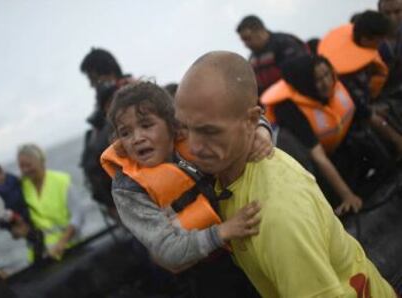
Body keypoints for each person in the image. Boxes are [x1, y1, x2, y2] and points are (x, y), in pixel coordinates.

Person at [175, 50, 396, 297]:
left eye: (209, 131)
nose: (193, 147)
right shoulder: (228, 168)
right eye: (184, 128)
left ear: (251, 121)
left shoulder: (275, 215)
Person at [100, 81, 273, 297]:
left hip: (253, 241)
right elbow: (168, 252)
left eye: (146, 125)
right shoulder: (128, 189)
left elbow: (246, 118)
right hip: (204, 276)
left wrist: (262, 132)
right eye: (125, 133)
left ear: (173, 125)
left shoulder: (191, 132)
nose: (137, 138)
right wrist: (224, 231)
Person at [260, 55, 362, 215]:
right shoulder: (287, 107)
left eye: (327, 74)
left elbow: (369, 116)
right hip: (309, 162)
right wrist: (347, 196)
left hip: (334, 147)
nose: (326, 83)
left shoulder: (337, 86)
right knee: (307, 161)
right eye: (318, 79)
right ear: (305, 82)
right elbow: (318, 156)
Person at [319, 10, 402, 158]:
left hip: (371, 108)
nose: (382, 44)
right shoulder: (342, 73)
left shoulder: (369, 55)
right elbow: (365, 113)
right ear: (366, 39)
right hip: (352, 130)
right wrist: (396, 139)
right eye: (379, 40)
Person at [79, 48, 134, 212]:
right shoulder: (101, 113)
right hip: (120, 202)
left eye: (93, 79)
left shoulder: (133, 95)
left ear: (108, 73)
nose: (91, 85)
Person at [17, 144, 84, 260]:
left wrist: (62, 243)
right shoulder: (21, 187)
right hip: (39, 254)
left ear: (41, 161)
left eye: (28, 165)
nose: (25, 170)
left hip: (69, 248)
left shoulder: (62, 181)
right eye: (21, 166)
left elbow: (78, 214)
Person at [236, 15, 308, 95]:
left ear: (259, 31)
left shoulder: (285, 43)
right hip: (270, 102)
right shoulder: (252, 59)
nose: (246, 45)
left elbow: (301, 73)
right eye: (243, 41)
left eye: (248, 38)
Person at [378, 0, 402, 96]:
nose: (392, 18)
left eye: (397, 12)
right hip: (384, 96)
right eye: (387, 13)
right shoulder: (370, 39)